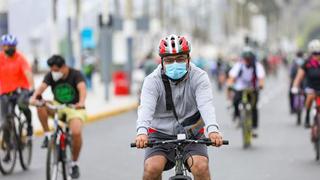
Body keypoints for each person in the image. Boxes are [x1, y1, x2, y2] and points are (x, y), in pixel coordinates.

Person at [134, 34, 223, 180]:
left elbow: (206, 105)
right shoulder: (152, 81)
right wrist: (142, 132)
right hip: (159, 133)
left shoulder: (199, 77)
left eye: (180, 59)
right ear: (161, 61)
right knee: (151, 169)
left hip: (192, 133)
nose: (175, 64)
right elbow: (146, 108)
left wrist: (213, 129)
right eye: (169, 60)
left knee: (201, 167)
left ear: (188, 59)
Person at [29, 55, 87, 179]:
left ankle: (74, 163)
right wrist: (34, 98)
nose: (54, 73)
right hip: (57, 105)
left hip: (74, 107)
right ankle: (47, 135)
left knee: (76, 132)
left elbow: (82, 89)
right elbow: (41, 88)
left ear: (64, 67)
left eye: (56, 70)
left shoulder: (76, 74)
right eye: (52, 70)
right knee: (41, 105)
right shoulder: (50, 75)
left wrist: (81, 103)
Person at [0, 34, 34, 144]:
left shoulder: (20, 58)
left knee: (22, 105)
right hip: (4, 91)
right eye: (7, 46)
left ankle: (29, 125)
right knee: (5, 122)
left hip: (21, 89)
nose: (10, 48)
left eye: (12, 46)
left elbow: (28, 73)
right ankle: (8, 148)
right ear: (3, 47)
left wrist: (32, 88)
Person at [226, 47, 265, 136]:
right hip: (240, 87)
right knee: (235, 101)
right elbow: (232, 77)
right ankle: (237, 117)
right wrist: (229, 84)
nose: (247, 60)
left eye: (249, 59)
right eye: (245, 58)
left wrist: (261, 85)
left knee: (254, 107)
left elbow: (261, 78)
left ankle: (254, 127)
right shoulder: (239, 65)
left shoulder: (257, 66)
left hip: (253, 88)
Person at [292, 39, 320, 128]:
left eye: (318, 53)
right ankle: (307, 117)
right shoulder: (307, 63)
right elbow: (299, 76)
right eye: (314, 54)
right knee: (310, 97)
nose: (316, 56)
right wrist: (295, 86)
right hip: (310, 87)